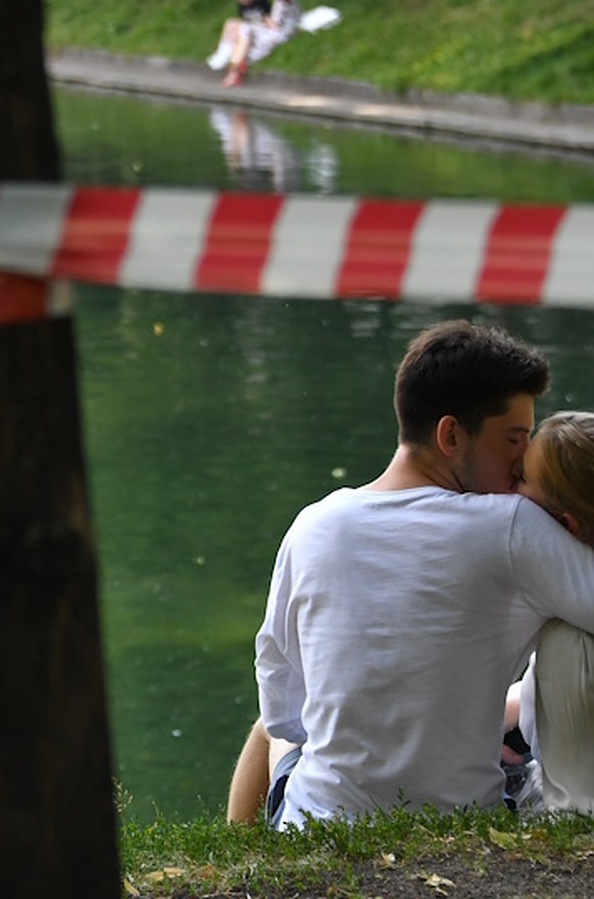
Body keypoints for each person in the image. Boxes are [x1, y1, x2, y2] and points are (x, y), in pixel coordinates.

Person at [225, 319, 594, 830]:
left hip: (317, 821)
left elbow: (285, 702)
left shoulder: (313, 524)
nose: (521, 462)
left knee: (269, 730)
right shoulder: (510, 525)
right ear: (450, 435)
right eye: (513, 439)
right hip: (463, 820)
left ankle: (244, 869)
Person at [504, 412, 594, 813]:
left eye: (521, 478)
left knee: (296, 746)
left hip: (563, 808)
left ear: (565, 524)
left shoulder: (568, 633)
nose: (509, 486)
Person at [210, 0, 301, 87]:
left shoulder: (279, 3)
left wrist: (265, 22)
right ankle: (233, 66)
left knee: (245, 32)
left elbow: (274, 23)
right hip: (280, 29)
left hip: (279, 32)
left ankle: (234, 69)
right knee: (241, 31)